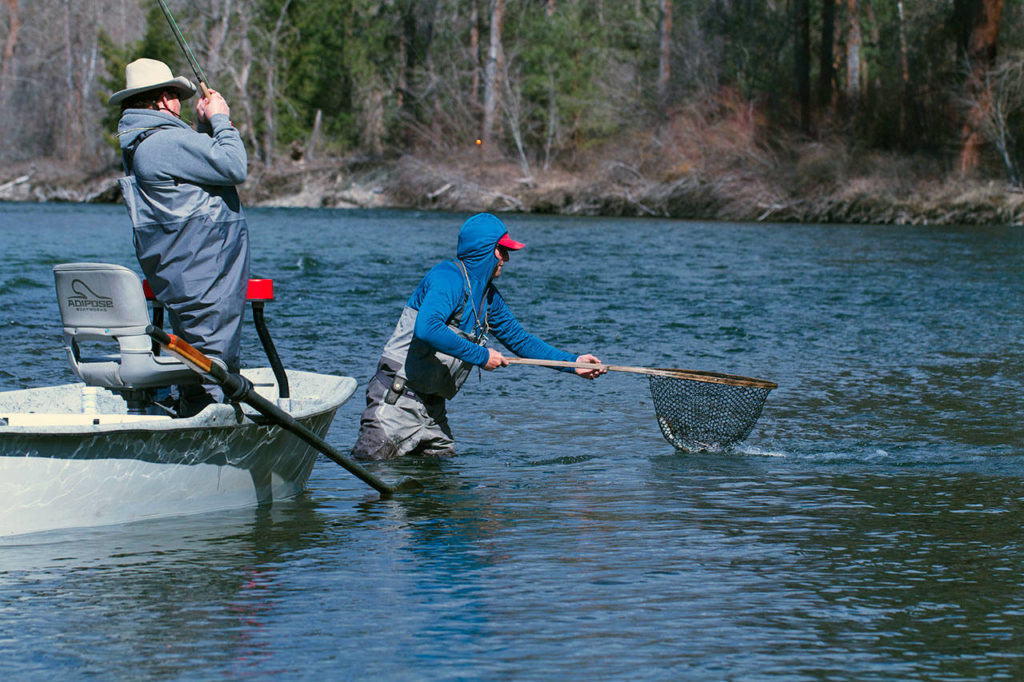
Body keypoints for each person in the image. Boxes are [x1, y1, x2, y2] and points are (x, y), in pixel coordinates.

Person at [352, 212, 605, 460]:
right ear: (487, 251)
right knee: (373, 479)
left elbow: (521, 341)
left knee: (442, 488)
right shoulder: (447, 277)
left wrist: (573, 364)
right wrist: (481, 355)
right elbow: (427, 328)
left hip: (433, 413)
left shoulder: (489, 298)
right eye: (503, 250)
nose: (506, 258)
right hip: (396, 401)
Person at [109, 58, 250, 416]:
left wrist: (201, 129)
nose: (180, 105)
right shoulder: (163, 143)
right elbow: (234, 166)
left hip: (190, 272)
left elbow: (196, 174)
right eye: (176, 97)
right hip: (205, 275)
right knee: (213, 364)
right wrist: (220, 119)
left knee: (197, 356)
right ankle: (210, 434)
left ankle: (193, 410)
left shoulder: (147, 143)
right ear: (162, 100)